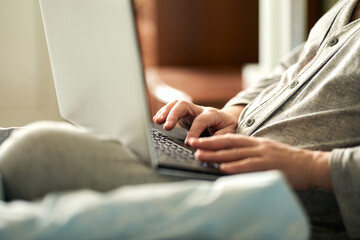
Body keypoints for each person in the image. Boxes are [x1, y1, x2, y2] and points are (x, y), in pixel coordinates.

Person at [0, 0, 359, 238]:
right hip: (216, 161)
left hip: (272, 201)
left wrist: (311, 165)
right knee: (17, 143)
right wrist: (231, 113)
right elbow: (283, 71)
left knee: (35, 154)